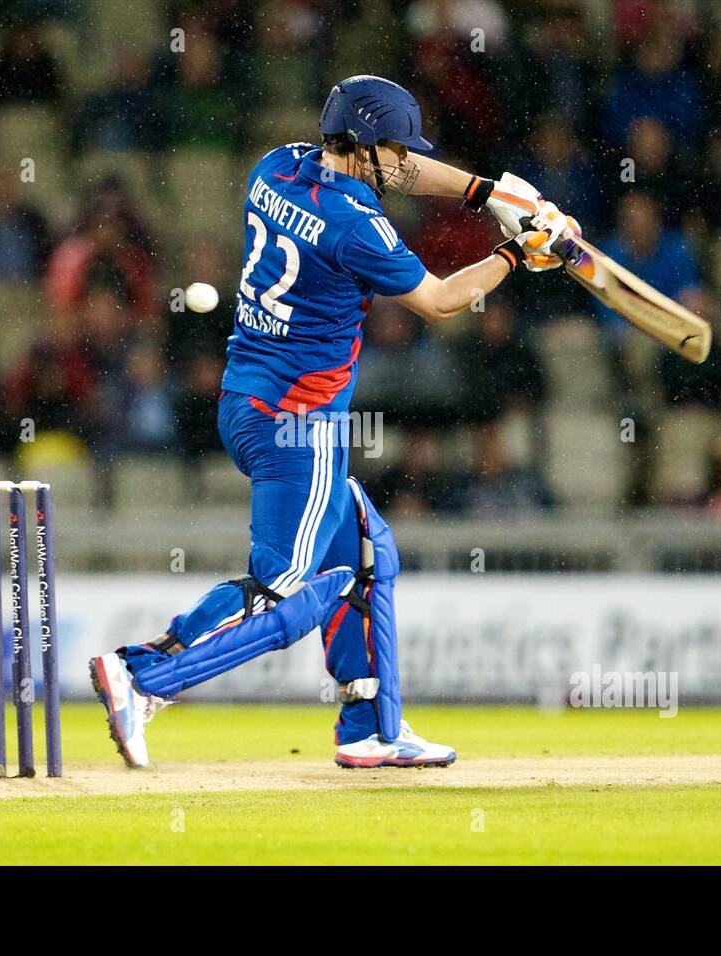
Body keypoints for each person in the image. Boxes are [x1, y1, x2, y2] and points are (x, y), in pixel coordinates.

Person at [88, 75, 578, 769]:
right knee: (286, 593)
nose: (407, 165)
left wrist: (492, 194)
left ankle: (371, 729)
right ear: (365, 146)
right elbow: (440, 302)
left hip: (245, 402)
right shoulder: (358, 225)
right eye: (396, 151)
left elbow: (406, 174)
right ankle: (142, 679)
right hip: (299, 425)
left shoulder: (277, 166)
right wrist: (514, 253)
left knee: (367, 558)